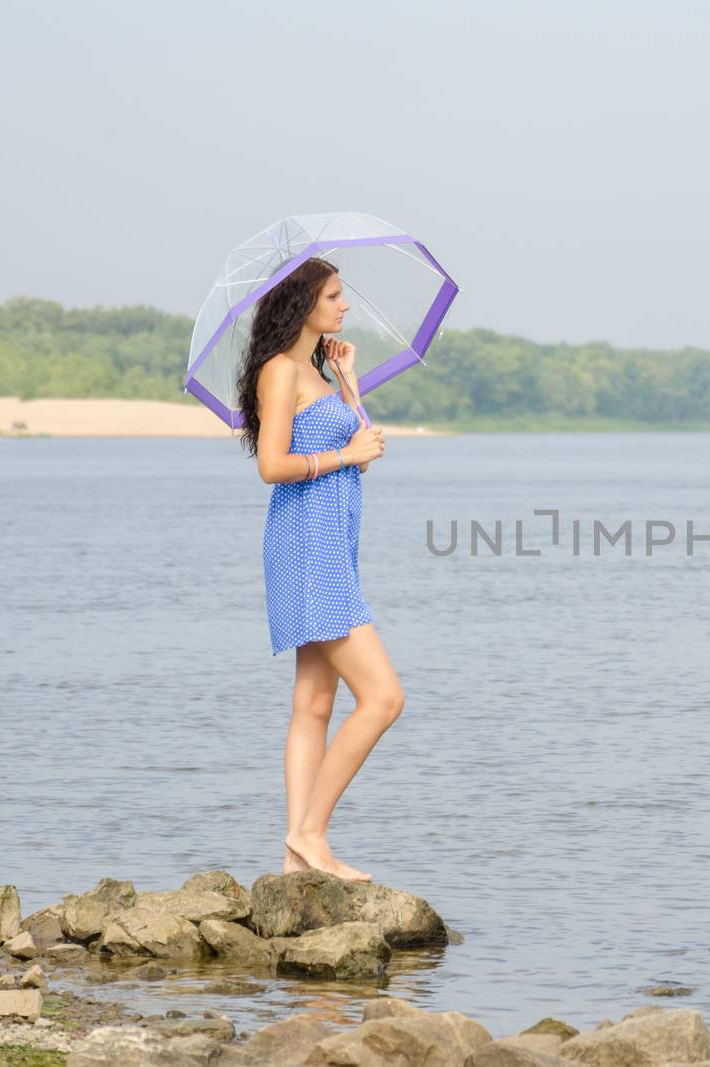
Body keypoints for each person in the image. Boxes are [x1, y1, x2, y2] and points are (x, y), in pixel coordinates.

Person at [233, 256, 399, 883]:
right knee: (383, 697)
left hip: (332, 546)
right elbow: (271, 466)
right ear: (303, 303)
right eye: (333, 295)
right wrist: (346, 452)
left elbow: (358, 457)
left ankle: (295, 857)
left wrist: (350, 381)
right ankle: (310, 835)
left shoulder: (317, 373)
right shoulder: (280, 372)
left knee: (314, 702)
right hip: (308, 549)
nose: (344, 305)